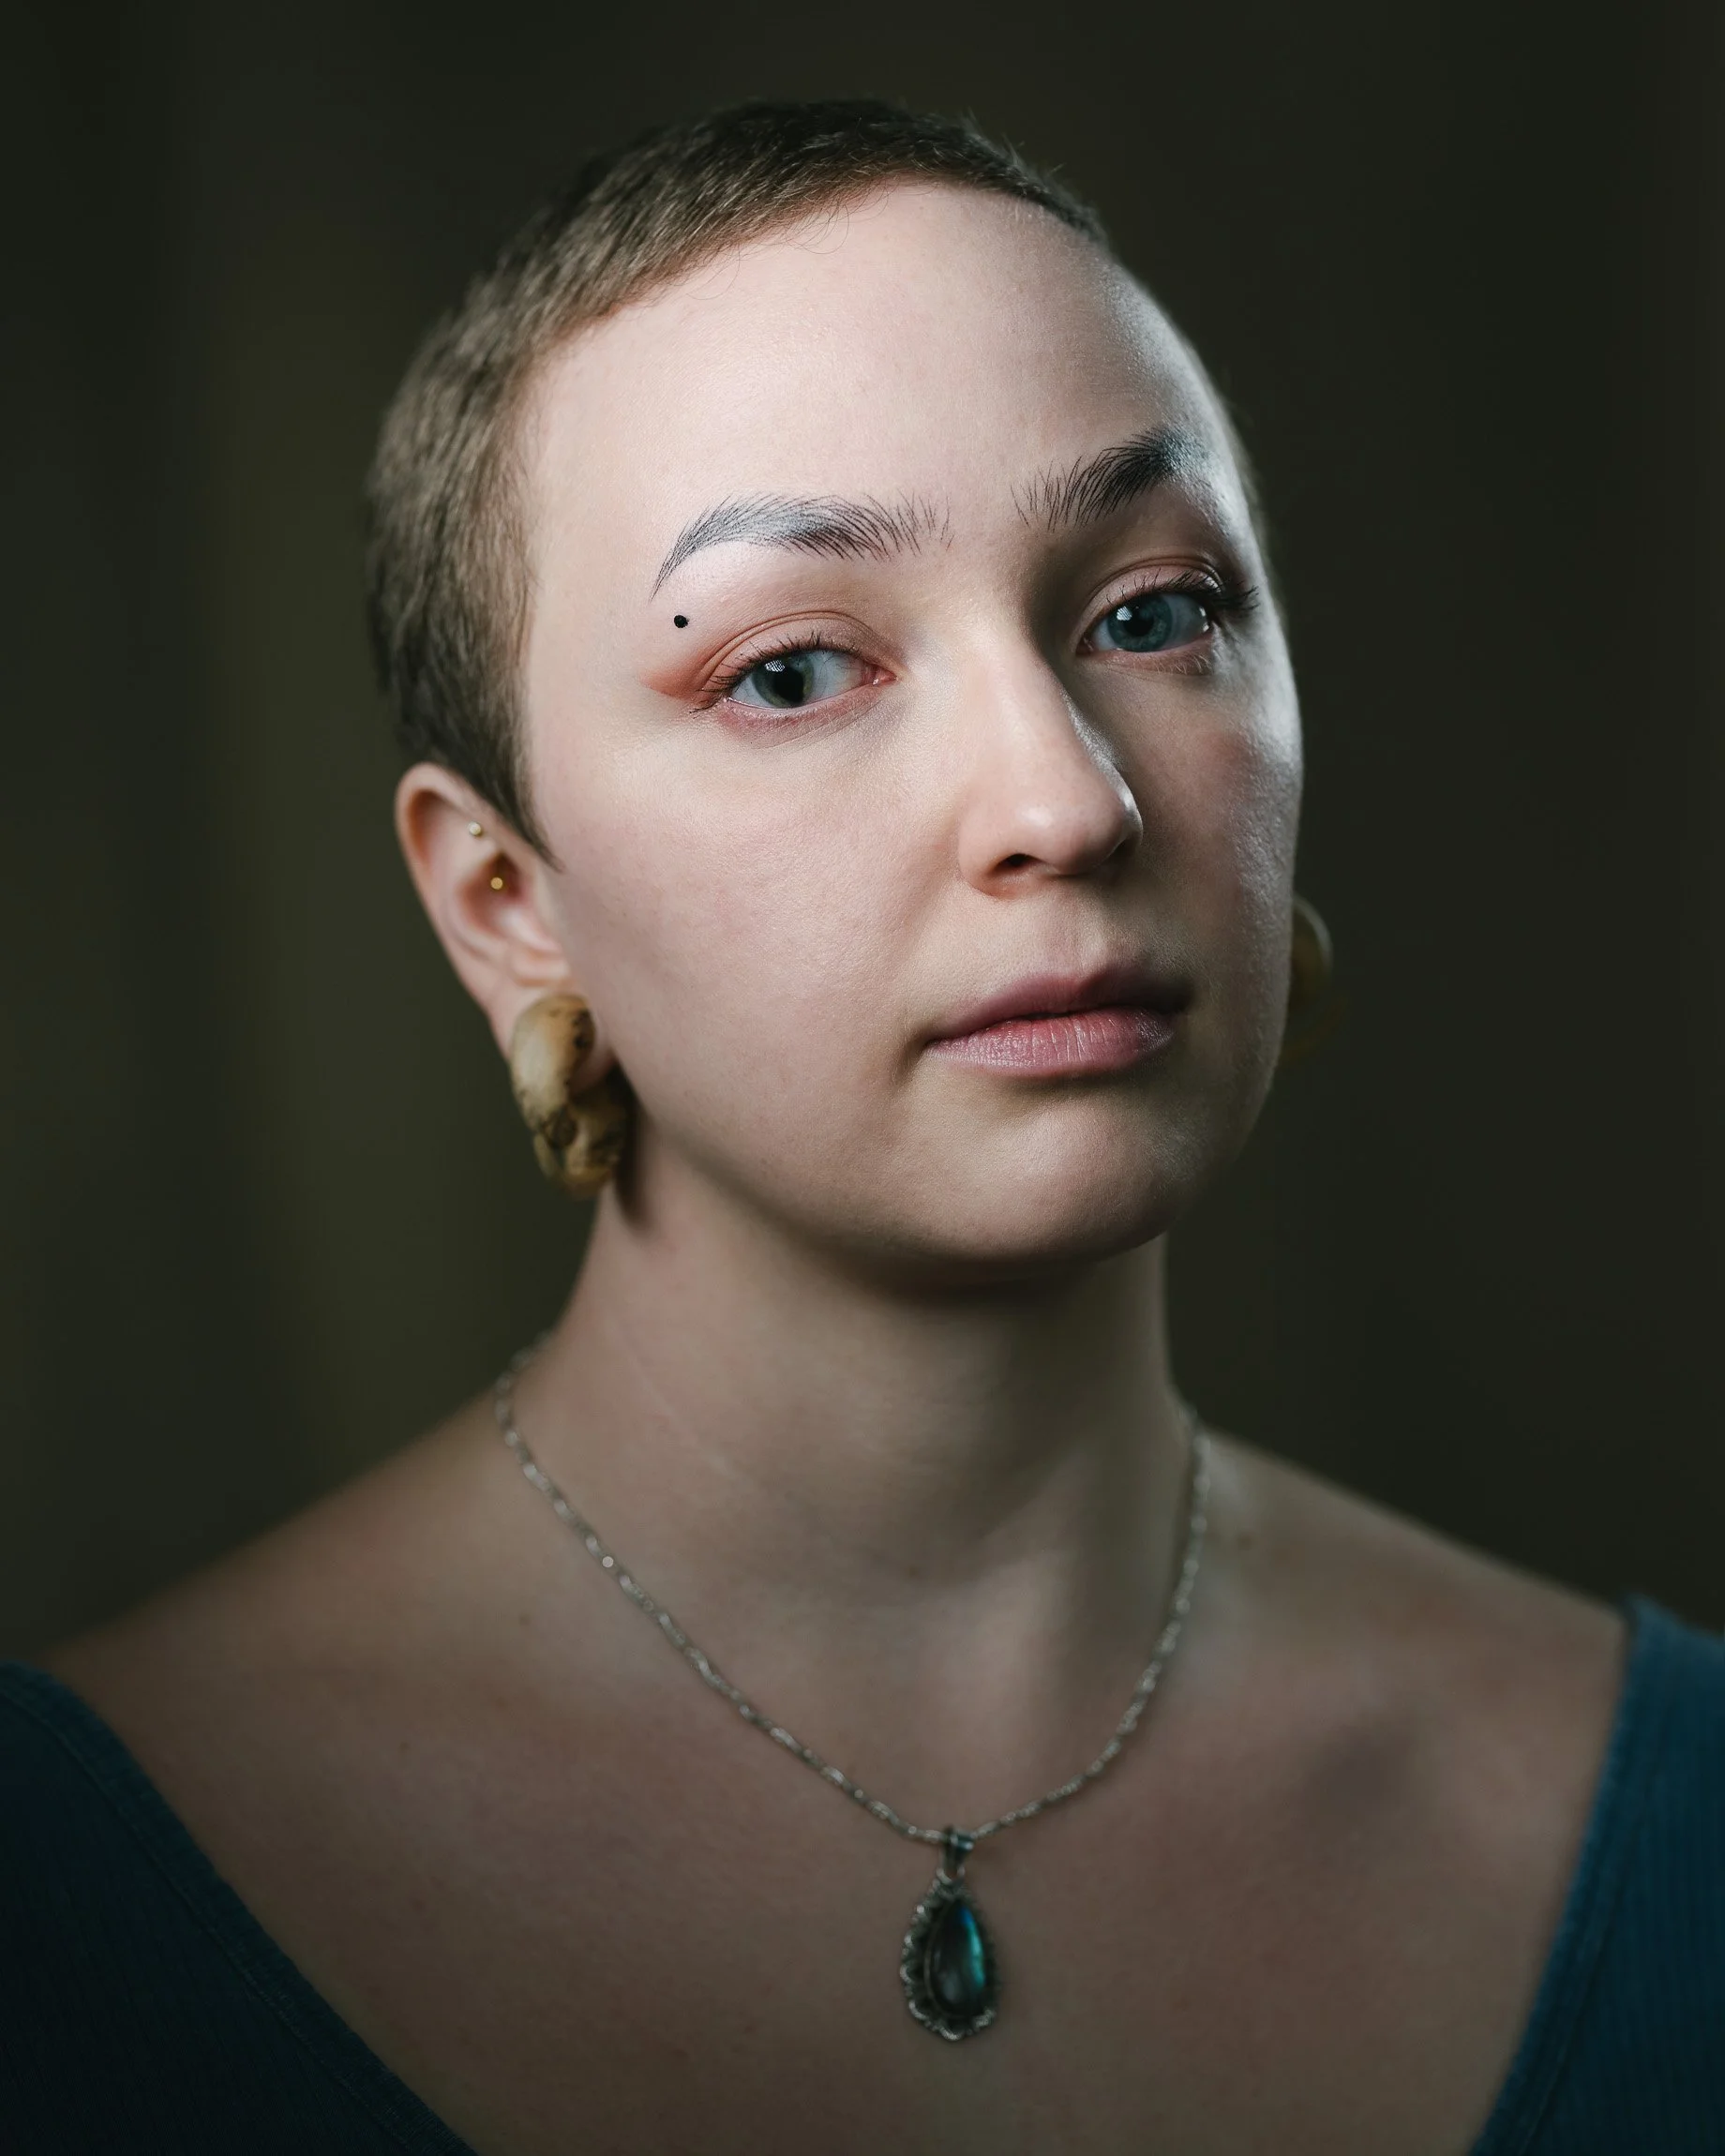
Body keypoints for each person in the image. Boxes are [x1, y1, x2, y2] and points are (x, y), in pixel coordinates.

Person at [3, 98, 1720, 2156]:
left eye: (1154, 611)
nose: (1064, 803)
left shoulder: (1679, 1826)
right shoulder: (67, 1908)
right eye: (794, 667)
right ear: (502, 900)